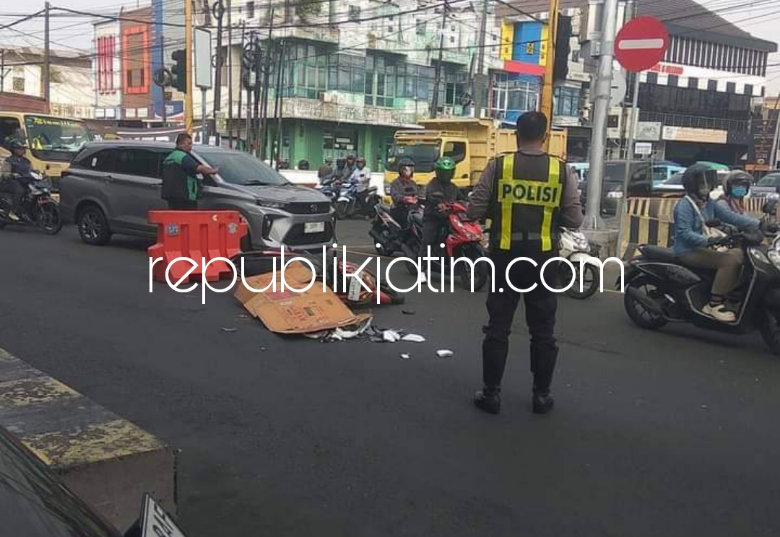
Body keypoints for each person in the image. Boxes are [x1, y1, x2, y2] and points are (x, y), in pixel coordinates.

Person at [467, 111, 583, 415]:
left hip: (505, 258)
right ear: (545, 136)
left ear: (516, 135)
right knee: (543, 330)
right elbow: (574, 219)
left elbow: (473, 211)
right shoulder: (561, 171)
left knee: (498, 328)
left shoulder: (499, 166)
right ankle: (541, 396)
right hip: (543, 260)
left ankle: (491, 394)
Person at [673, 164, 760, 322]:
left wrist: (759, 224)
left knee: (740, 255)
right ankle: (713, 304)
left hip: (703, 248)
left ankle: (729, 295)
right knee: (729, 261)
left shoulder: (708, 203)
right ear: (693, 185)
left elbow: (731, 217)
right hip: (687, 251)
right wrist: (708, 240)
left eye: (708, 183)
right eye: (702, 184)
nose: (706, 187)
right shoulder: (684, 206)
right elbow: (684, 233)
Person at [161, 133, 219, 210]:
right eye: (189, 143)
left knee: (175, 219)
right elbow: (198, 168)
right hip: (185, 196)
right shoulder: (182, 156)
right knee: (188, 219)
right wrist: (213, 171)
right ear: (181, 144)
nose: (190, 146)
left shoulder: (170, 157)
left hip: (171, 195)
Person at [421, 156, 465, 255]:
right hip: (433, 218)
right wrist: (438, 203)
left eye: (449, 172)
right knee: (428, 241)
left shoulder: (453, 187)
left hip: (449, 219)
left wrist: (469, 204)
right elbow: (431, 195)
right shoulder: (432, 184)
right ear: (438, 172)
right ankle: (421, 267)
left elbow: (462, 198)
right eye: (444, 172)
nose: (446, 174)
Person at [0, 138, 34, 221]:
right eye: (20, 149)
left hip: (24, 181)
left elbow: (31, 170)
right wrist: (12, 174)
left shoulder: (27, 161)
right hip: (10, 182)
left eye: (23, 149)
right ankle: (13, 211)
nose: (22, 150)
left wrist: (37, 172)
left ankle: (28, 212)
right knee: (20, 191)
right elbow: (4, 173)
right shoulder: (9, 161)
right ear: (14, 149)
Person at [388, 157, 418, 225]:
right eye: (407, 169)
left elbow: (418, 194)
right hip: (399, 209)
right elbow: (395, 196)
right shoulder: (396, 182)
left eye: (411, 169)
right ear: (401, 170)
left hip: (412, 209)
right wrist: (405, 199)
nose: (409, 171)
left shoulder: (413, 183)